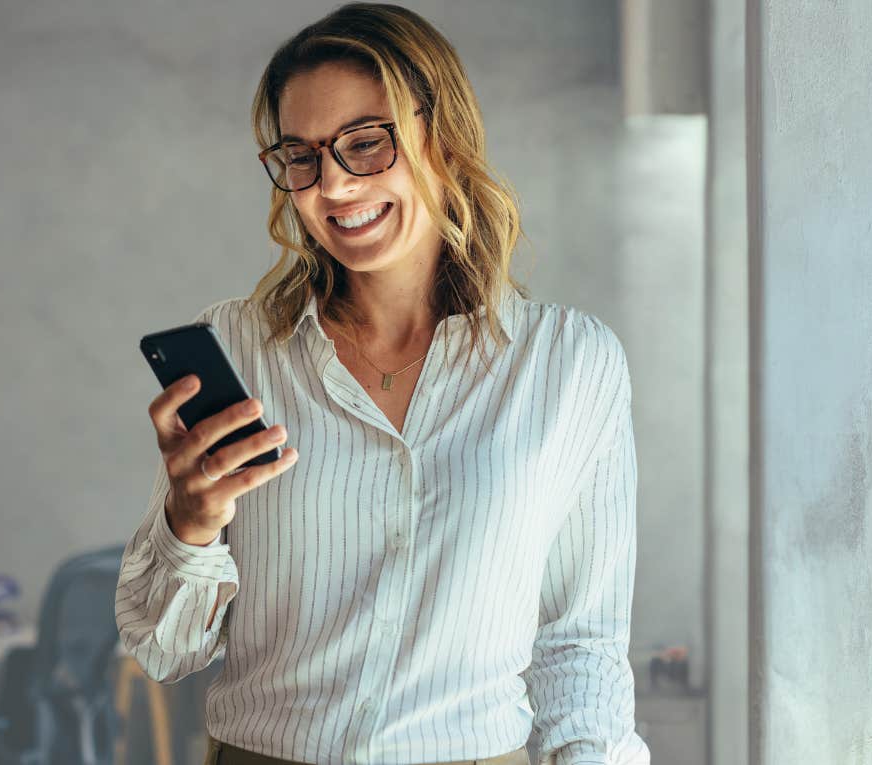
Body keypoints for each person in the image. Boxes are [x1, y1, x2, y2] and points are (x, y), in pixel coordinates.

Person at [115, 4, 647, 764]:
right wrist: (189, 520)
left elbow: (583, 640)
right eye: (301, 155)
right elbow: (164, 649)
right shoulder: (239, 346)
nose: (331, 185)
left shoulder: (569, 363)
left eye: (365, 143)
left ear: (444, 139)